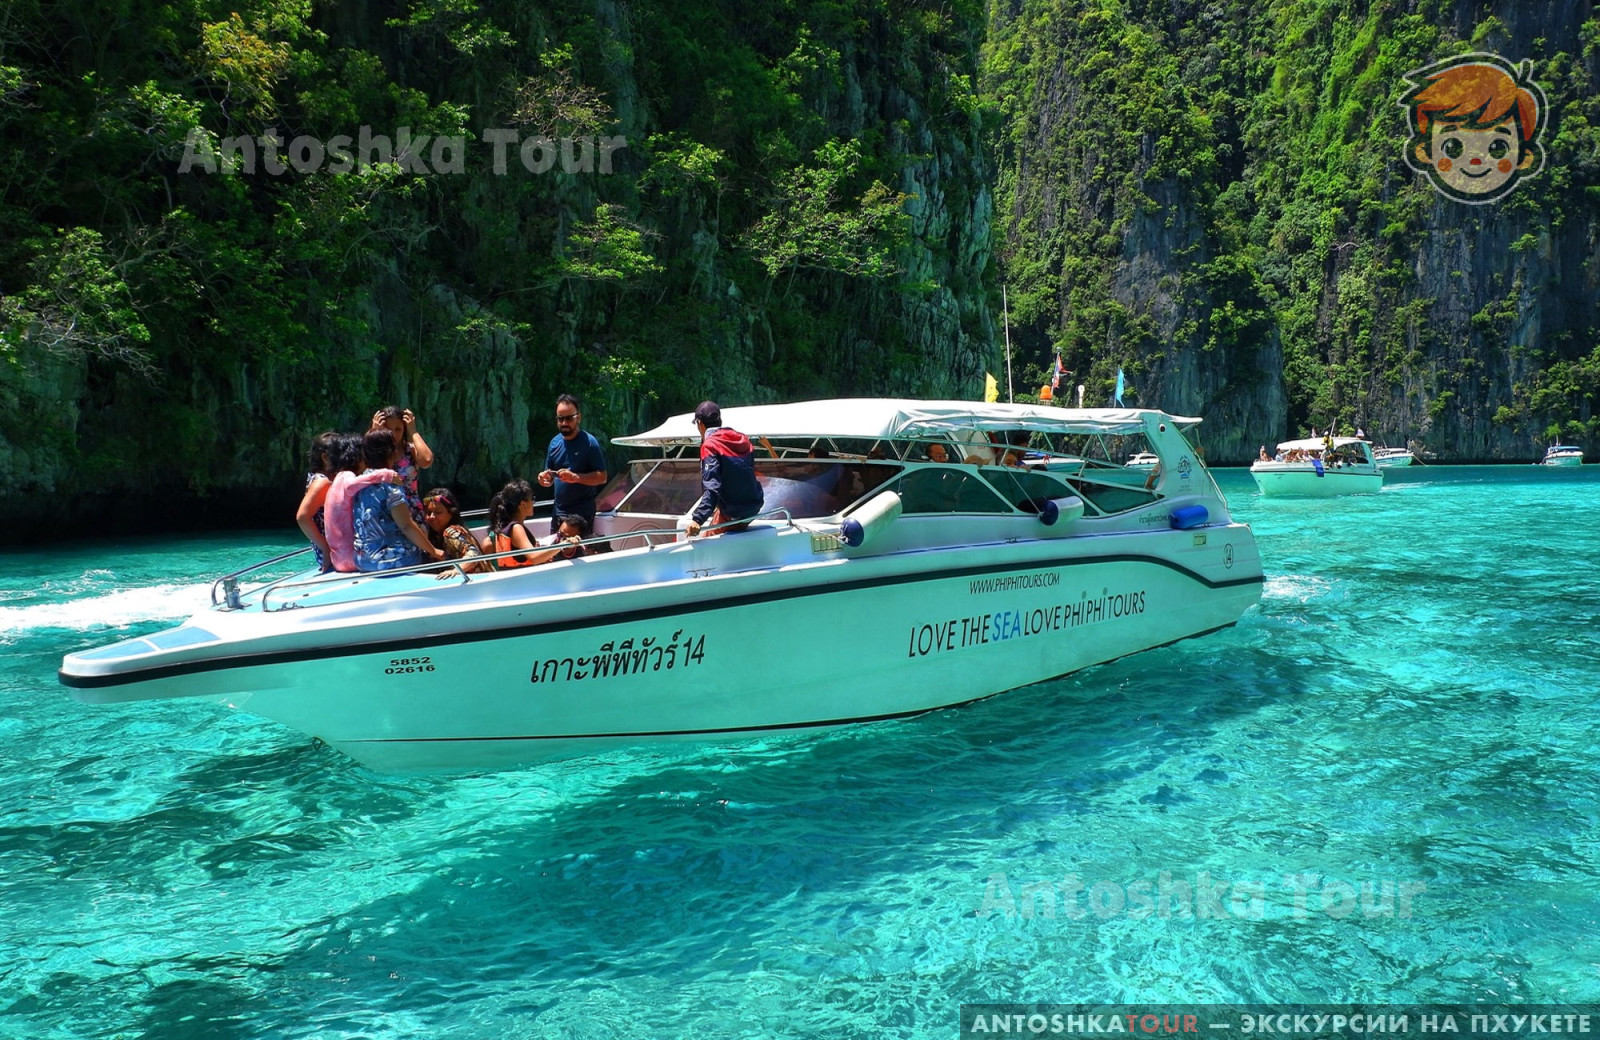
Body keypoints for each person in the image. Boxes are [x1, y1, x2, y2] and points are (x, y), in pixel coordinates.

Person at [350, 430, 443, 572]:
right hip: (389, 561)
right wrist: (433, 551)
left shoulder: (360, 483)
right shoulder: (390, 485)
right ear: (392, 453)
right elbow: (406, 525)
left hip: (362, 560)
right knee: (427, 557)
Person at [325, 432, 404, 573]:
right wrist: (384, 474)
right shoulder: (346, 477)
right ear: (359, 456)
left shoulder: (336, 481)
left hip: (338, 560)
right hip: (351, 558)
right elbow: (352, 485)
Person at [686, 400, 763, 537]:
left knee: (705, 543)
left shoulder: (710, 445)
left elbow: (712, 487)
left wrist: (697, 519)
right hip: (754, 506)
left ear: (700, 424)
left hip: (734, 512)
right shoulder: (742, 439)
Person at [537, 394, 607, 535]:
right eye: (560, 419)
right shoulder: (554, 443)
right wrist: (543, 478)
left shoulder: (589, 443)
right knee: (554, 548)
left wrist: (576, 477)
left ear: (578, 418)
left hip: (581, 514)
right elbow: (549, 476)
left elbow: (602, 477)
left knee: (575, 548)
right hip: (558, 512)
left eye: (569, 418)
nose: (564, 423)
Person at [371, 405, 433, 522]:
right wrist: (374, 434)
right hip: (384, 515)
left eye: (398, 429)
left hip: (412, 514)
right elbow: (361, 468)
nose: (393, 434)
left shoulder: (410, 450)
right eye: (388, 429)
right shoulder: (374, 452)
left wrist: (413, 431)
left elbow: (427, 460)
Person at [295, 431, 341, 571]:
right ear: (325, 457)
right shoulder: (322, 482)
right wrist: (325, 548)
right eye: (339, 453)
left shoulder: (318, 477)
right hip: (331, 552)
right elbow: (302, 517)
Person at [421, 487, 487, 575]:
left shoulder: (451, 532)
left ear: (451, 513)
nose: (432, 517)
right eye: (428, 513)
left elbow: (473, 553)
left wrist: (456, 571)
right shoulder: (432, 535)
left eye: (438, 512)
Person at [484, 478, 538, 569]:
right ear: (523, 504)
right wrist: (561, 545)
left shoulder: (503, 529)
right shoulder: (516, 528)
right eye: (532, 499)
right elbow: (534, 557)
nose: (533, 502)